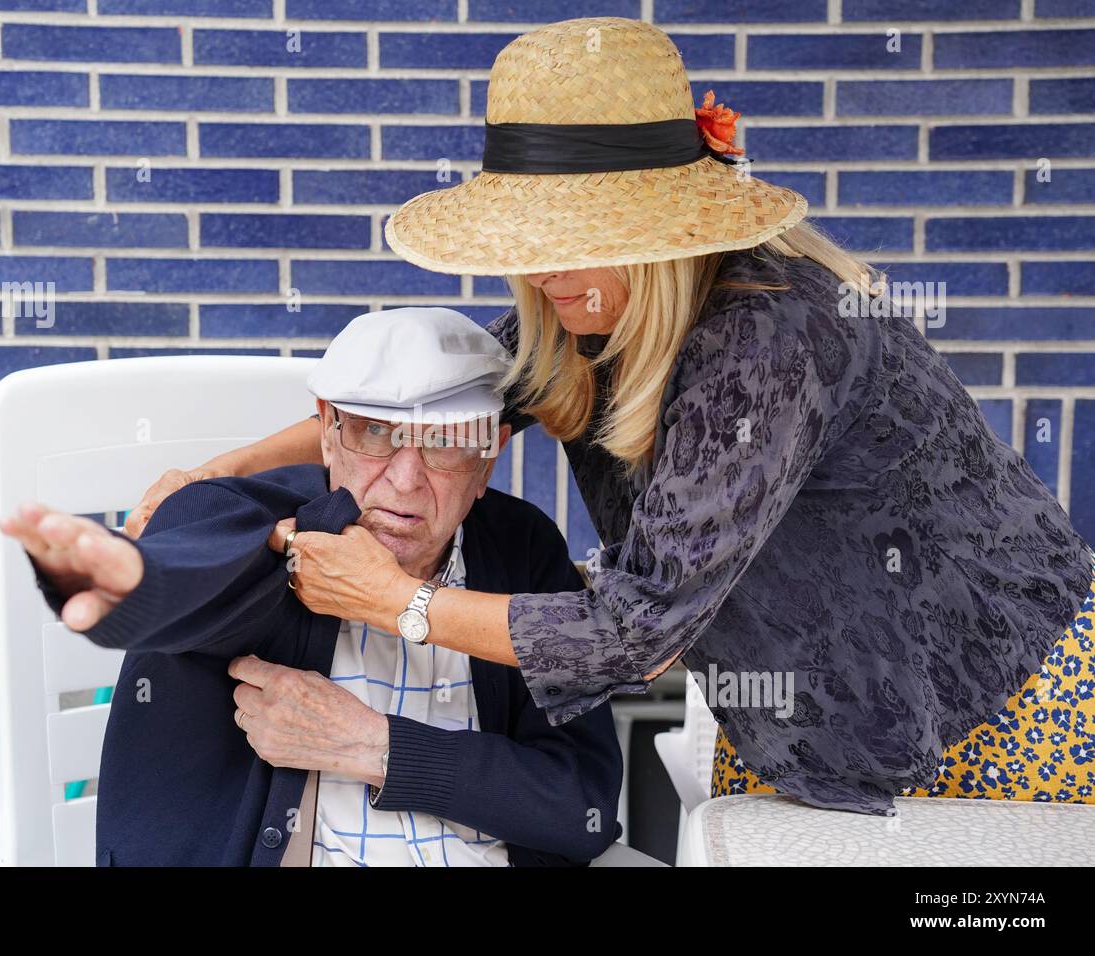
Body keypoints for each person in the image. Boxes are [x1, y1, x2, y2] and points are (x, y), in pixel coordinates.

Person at [124, 17, 1095, 816]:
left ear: (664, 229)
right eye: (532, 241)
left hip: (993, 706)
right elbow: (435, 406)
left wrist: (393, 602)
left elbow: (636, 632)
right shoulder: (578, 307)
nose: (548, 272)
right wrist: (216, 472)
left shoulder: (767, 338)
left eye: (582, 240)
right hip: (804, 702)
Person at [0, 307, 623, 866]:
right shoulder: (258, 523)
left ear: (490, 456)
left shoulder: (522, 549)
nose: (405, 480)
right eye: (376, 433)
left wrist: (376, 746)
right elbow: (189, 583)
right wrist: (126, 583)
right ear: (327, 432)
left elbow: (580, 806)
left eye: (447, 442)